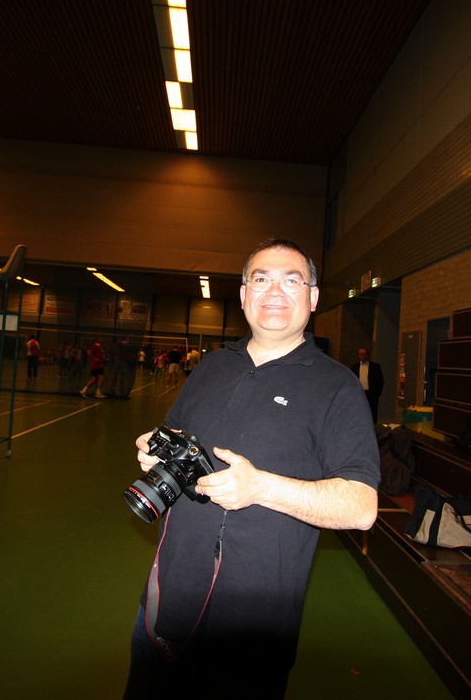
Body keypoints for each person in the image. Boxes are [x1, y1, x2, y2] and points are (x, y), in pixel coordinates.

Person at [124, 238, 379, 699]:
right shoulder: (210, 368)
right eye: (261, 279)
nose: (274, 291)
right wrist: (154, 450)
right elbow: (173, 434)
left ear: (313, 298)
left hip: (253, 634)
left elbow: (361, 507)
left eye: (291, 280)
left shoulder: (338, 388)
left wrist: (260, 487)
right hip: (165, 609)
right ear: (244, 296)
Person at [352, 346, 385, 424]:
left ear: (368, 355)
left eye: (365, 354)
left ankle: (372, 428)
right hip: (359, 393)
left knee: (372, 413)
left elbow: (380, 380)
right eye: (361, 354)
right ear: (358, 355)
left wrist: (377, 393)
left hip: (371, 394)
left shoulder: (375, 367)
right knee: (359, 412)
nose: (363, 356)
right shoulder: (354, 367)